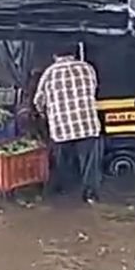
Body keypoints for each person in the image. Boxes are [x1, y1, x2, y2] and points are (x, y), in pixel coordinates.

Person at [34, 44, 102, 203]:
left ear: (54, 55)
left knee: (63, 165)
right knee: (90, 167)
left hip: (62, 130)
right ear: (74, 53)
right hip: (88, 126)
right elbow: (93, 89)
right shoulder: (87, 68)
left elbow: (38, 101)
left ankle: (64, 196)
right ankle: (90, 196)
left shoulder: (49, 73)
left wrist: (44, 113)